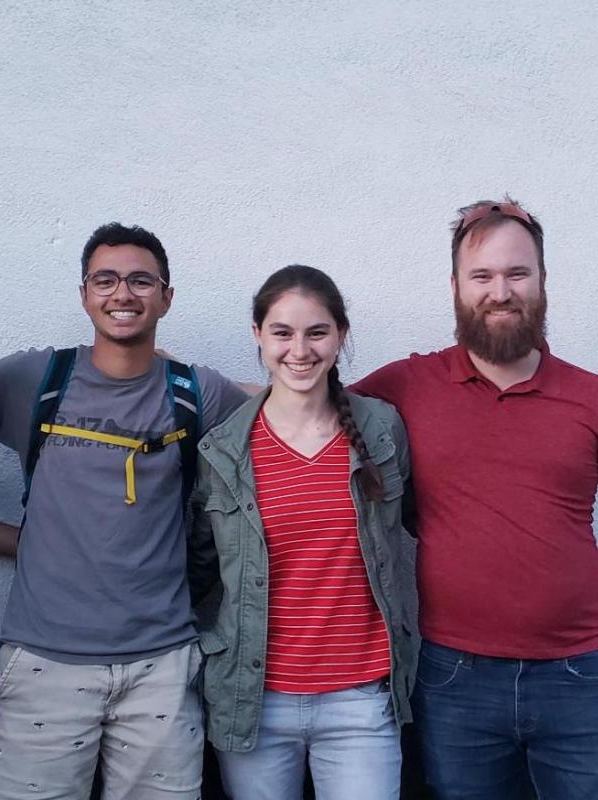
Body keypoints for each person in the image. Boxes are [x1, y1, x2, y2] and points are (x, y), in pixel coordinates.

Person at [352, 198, 598, 799]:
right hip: (455, 680)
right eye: (483, 276)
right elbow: (305, 405)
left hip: (580, 677)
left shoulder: (596, 399)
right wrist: (179, 380)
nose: (502, 291)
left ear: (542, 282)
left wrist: (570, 602)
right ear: (456, 288)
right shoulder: (408, 385)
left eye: (518, 273)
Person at [0, 222, 249, 800]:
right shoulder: (36, 378)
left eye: (142, 280)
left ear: (166, 296)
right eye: (105, 279)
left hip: (162, 665)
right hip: (43, 663)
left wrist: (337, 392)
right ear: (84, 293)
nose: (123, 293)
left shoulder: (197, 392)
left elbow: (283, 414)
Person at [193, 265, 416, 800]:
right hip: (254, 700)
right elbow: (200, 567)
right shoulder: (223, 450)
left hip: (361, 698)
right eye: (282, 332)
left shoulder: (382, 429)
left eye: (316, 332)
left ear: (340, 334)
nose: (300, 349)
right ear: (258, 335)